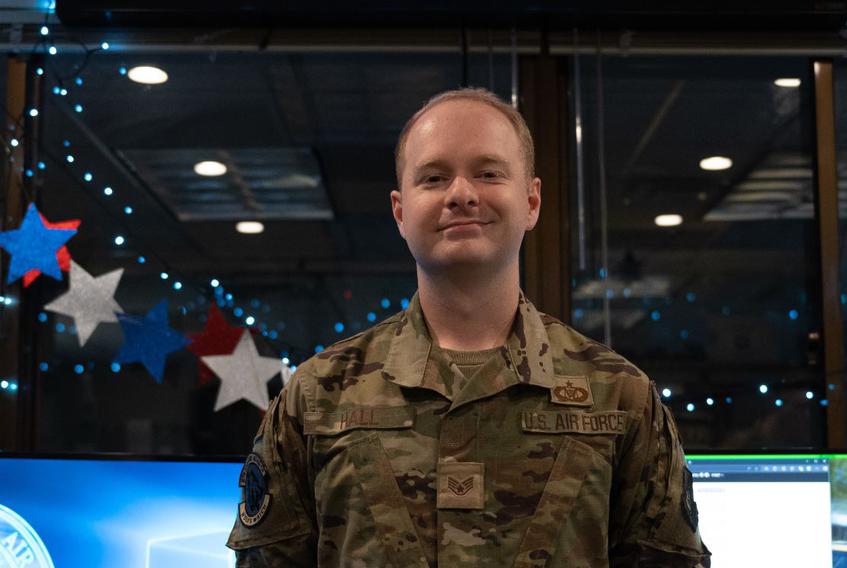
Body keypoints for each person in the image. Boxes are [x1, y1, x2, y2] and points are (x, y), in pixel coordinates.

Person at [226, 87, 711, 567]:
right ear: (400, 211)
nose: (461, 194)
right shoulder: (317, 395)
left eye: (488, 173)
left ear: (531, 201)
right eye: (434, 178)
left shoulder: (621, 396)